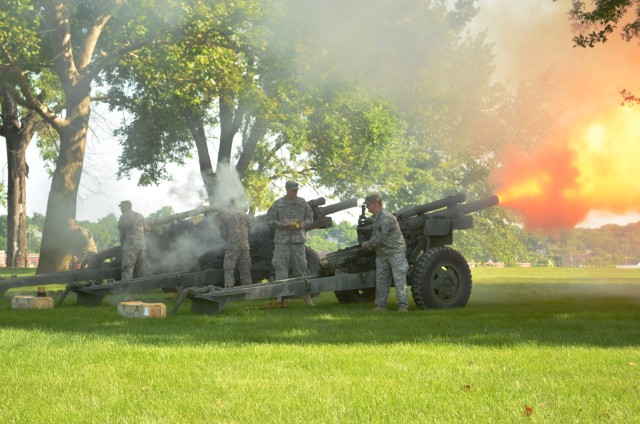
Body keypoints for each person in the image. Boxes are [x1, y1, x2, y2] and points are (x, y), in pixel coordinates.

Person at [267, 180, 315, 305]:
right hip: (282, 241)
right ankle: (280, 298)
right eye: (293, 190)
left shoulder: (302, 203)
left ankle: (306, 297)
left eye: (296, 190)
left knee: (301, 268)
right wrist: (281, 224)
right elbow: (270, 221)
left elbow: (310, 219)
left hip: (298, 241)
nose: (295, 192)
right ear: (287, 189)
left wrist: (300, 225)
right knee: (280, 269)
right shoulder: (278, 204)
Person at [360, 193, 409, 312]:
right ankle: (381, 305)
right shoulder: (377, 217)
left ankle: (403, 306)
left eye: (369, 204)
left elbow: (380, 237)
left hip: (395, 252)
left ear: (376, 203)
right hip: (382, 253)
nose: (367, 207)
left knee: (399, 279)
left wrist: (366, 245)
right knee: (381, 279)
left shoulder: (385, 217)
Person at [218, 200, 252, 288]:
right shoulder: (245, 215)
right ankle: (248, 289)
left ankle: (229, 288)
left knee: (229, 268)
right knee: (245, 269)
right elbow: (250, 230)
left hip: (232, 246)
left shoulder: (226, 216)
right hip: (245, 246)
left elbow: (223, 234)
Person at [118, 200, 148, 281]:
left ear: (128, 206)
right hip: (141, 245)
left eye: (122, 207)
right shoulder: (140, 216)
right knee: (142, 267)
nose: (120, 209)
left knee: (127, 267)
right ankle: (143, 288)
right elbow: (147, 228)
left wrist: (122, 245)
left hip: (129, 245)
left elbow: (122, 233)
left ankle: (126, 288)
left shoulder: (123, 217)